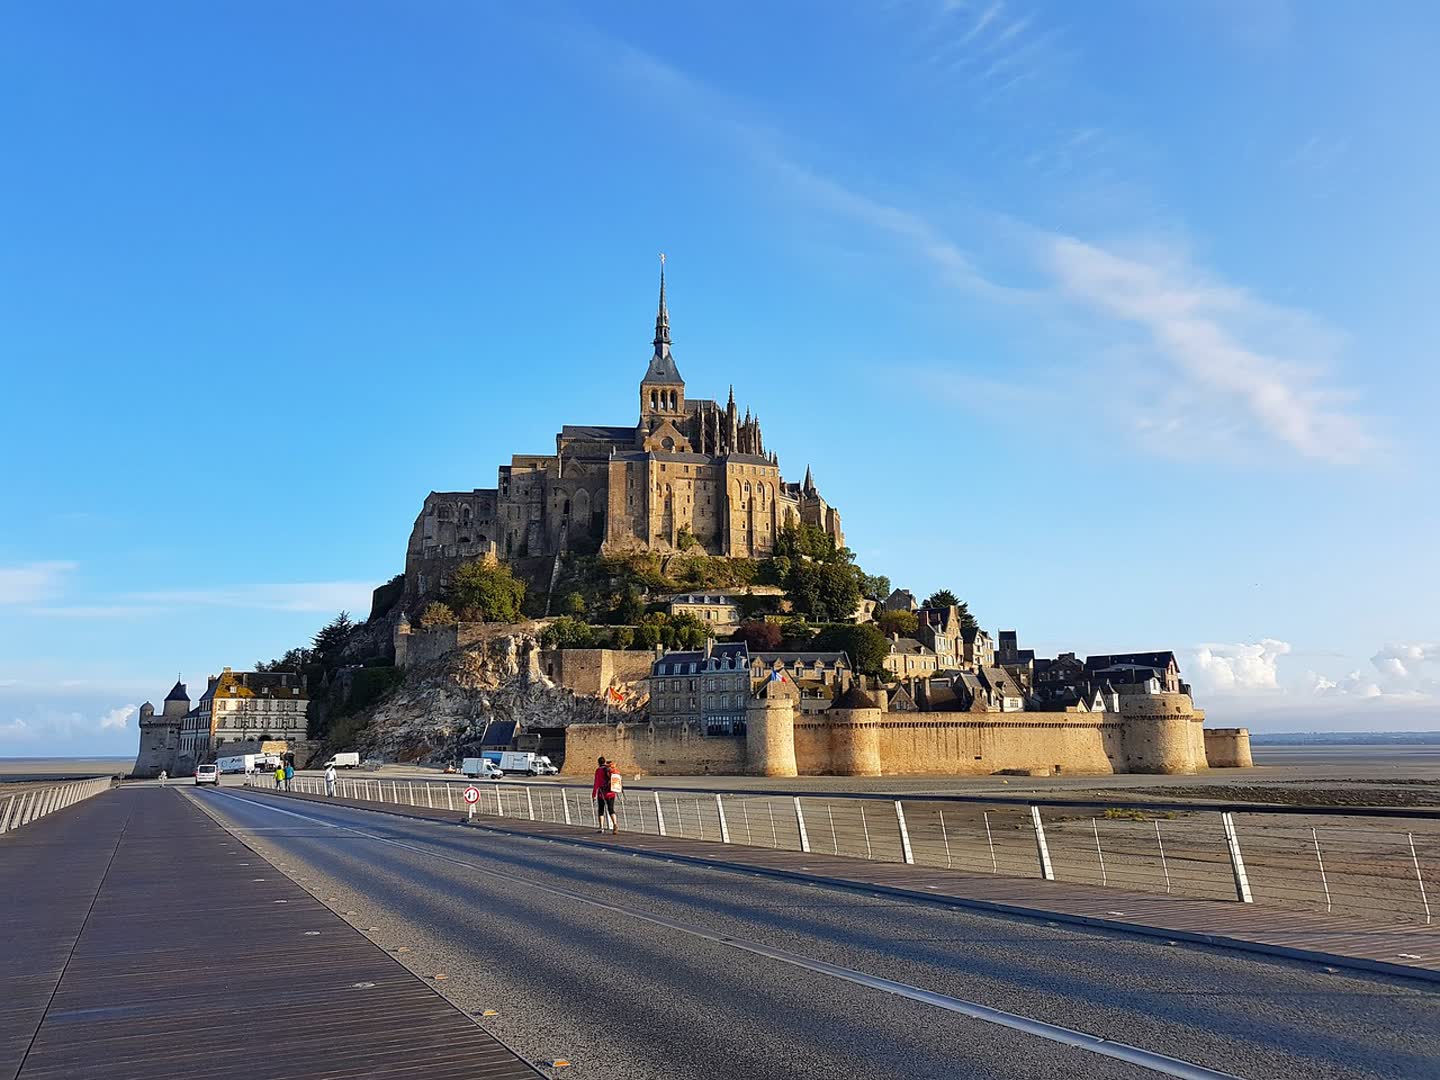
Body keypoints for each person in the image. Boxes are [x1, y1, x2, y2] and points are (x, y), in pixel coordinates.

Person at [591, 755, 618, 834]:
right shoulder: (609, 769)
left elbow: (596, 783)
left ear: (598, 763)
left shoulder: (598, 770)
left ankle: (601, 827)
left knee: (601, 810)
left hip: (602, 793)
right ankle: (615, 824)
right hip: (611, 792)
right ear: (605, 762)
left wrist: (594, 795)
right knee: (611, 809)